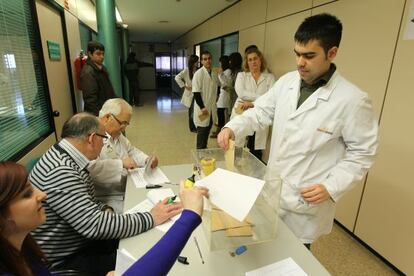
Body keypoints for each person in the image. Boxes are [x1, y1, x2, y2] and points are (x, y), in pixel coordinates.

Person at [218, 13, 379, 248]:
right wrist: (232, 127)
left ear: (332, 53)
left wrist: (331, 186)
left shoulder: (352, 100)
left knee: (295, 259)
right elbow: (259, 111)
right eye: (297, 54)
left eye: (309, 56)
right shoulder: (287, 82)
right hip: (273, 193)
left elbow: (363, 153)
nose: (300, 62)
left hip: (305, 205)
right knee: (268, 250)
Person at [29, 113, 181, 274]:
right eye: (103, 139)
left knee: (139, 238)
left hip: (80, 240)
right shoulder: (61, 171)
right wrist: (152, 217)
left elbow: (84, 202)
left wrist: (104, 209)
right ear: (92, 138)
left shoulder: (64, 156)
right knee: (145, 257)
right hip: (66, 259)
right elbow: (95, 226)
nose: (103, 144)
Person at [0, 161, 208, 276]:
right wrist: (188, 216)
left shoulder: (24, 251)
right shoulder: (62, 170)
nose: (42, 195)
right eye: (27, 194)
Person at [88, 98, 159, 213]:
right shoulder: (92, 138)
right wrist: (121, 164)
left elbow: (131, 151)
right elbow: (90, 168)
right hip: (109, 196)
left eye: (127, 124)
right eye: (122, 123)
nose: (124, 128)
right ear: (107, 118)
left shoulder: (116, 134)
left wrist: (146, 159)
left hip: (127, 186)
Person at [231, 48, 275, 161]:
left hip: (260, 115)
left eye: (255, 58)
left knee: (256, 149)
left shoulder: (269, 77)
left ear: (260, 60)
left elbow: (272, 98)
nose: (253, 62)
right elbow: (241, 93)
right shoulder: (242, 76)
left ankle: (255, 174)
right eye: (250, 60)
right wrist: (261, 99)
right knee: (238, 145)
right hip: (242, 112)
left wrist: (252, 103)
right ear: (247, 62)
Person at [81, 41, 116, 116]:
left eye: (103, 54)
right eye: (98, 53)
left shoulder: (102, 67)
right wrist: (99, 116)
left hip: (107, 110)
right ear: (90, 54)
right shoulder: (88, 71)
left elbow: (108, 88)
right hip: (98, 113)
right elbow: (90, 99)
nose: (102, 56)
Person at [192, 51, 219, 149]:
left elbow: (218, 86)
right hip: (203, 109)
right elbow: (196, 92)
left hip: (211, 108)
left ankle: (204, 149)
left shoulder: (214, 74)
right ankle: (199, 154)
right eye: (205, 59)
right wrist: (202, 107)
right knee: (202, 131)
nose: (207, 61)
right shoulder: (199, 74)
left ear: (211, 59)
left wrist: (217, 96)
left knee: (208, 129)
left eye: (209, 58)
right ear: (202, 61)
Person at [174, 54, 199, 133]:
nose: (197, 63)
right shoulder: (187, 70)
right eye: (196, 61)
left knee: (197, 111)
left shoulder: (199, 70)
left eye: (198, 61)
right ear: (192, 62)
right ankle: (192, 128)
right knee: (191, 112)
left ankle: (197, 125)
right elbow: (177, 77)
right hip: (191, 94)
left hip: (198, 93)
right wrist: (185, 86)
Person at [210, 55, 231, 138]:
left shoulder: (228, 71)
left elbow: (225, 83)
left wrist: (220, 74)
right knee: (220, 113)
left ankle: (220, 131)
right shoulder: (224, 71)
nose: (219, 64)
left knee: (221, 114)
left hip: (226, 95)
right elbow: (220, 83)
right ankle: (220, 130)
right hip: (222, 94)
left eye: (220, 62)